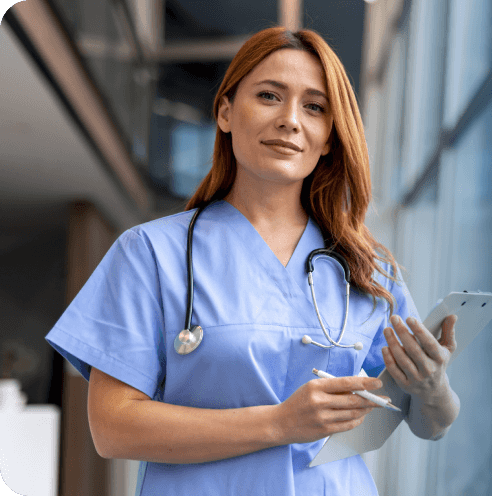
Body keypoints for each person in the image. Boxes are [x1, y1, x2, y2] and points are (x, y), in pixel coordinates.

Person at [44, 27, 459, 494]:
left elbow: (431, 425)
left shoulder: (365, 268)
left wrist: (433, 387)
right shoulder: (151, 254)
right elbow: (112, 428)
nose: (290, 120)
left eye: (314, 107)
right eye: (269, 96)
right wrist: (280, 423)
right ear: (224, 111)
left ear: (328, 138)